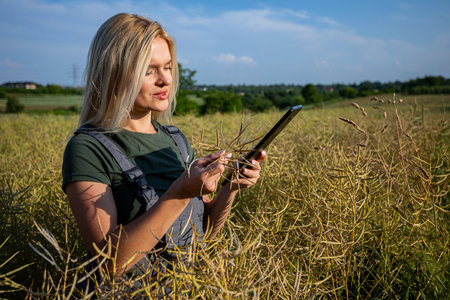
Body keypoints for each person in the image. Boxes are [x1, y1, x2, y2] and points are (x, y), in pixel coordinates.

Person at [62, 13, 266, 285]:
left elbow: (202, 233)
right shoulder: (87, 148)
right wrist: (181, 192)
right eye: (149, 70)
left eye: (168, 67)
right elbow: (110, 262)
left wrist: (231, 188)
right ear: (114, 73)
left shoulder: (176, 140)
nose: (165, 80)